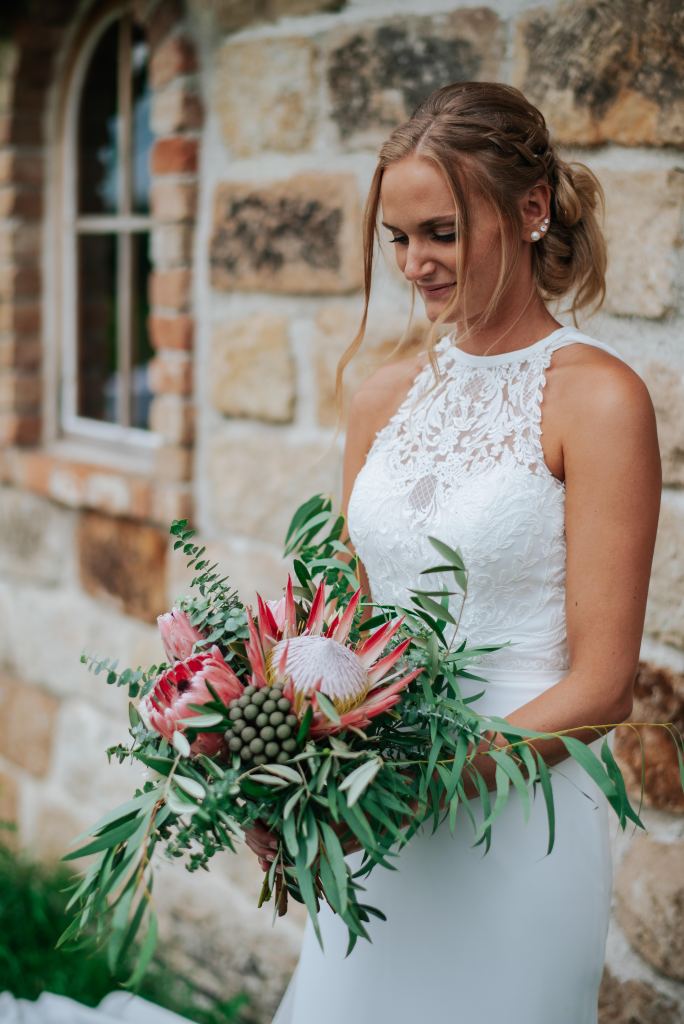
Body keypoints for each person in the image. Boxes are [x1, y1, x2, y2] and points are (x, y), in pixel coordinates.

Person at [247, 81, 661, 1024]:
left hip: (518, 818)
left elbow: (603, 688)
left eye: (441, 232)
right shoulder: (380, 398)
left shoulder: (600, 400)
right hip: (372, 812)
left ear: (532, 208)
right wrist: (281, 777)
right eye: (397, 237)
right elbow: (341, 632)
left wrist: (403, 793)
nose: (413, 264)